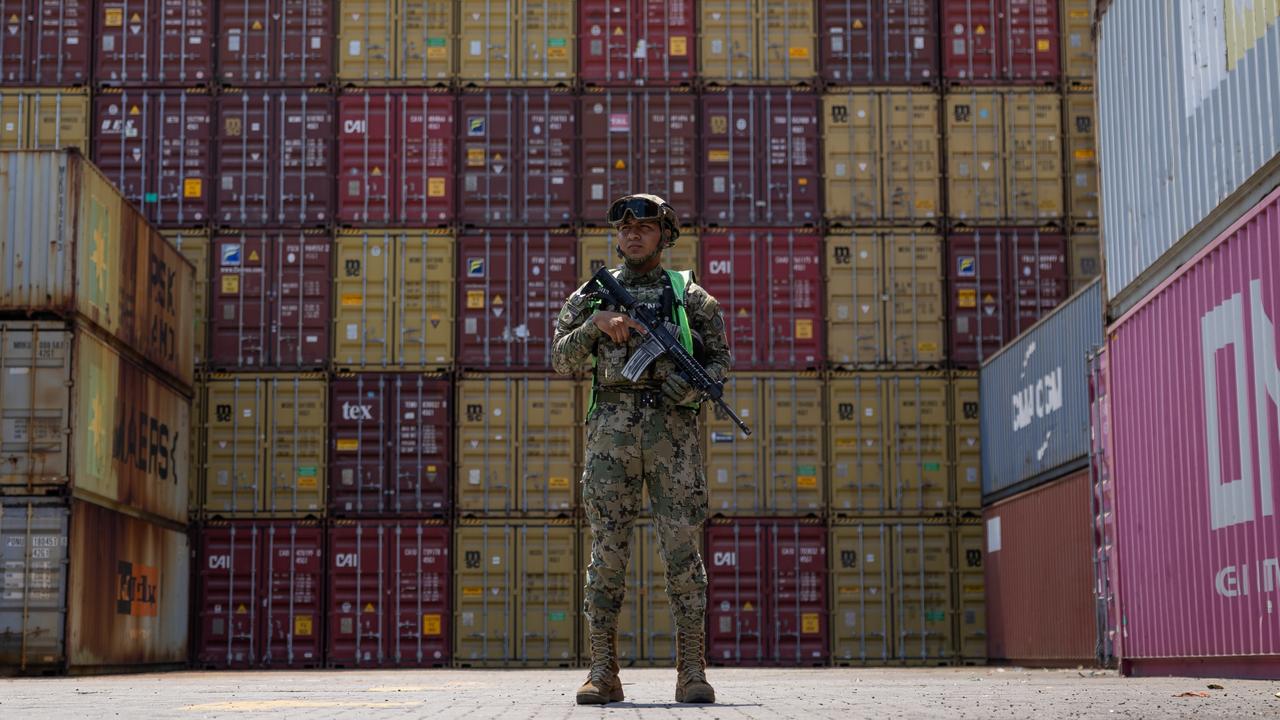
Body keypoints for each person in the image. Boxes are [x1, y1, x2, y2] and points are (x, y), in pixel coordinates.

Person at [552, 194, 732, 705]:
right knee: (606, 556)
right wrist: (595, 326)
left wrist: (692, 386)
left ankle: (692, 672)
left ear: (665, 236)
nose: (632, 235)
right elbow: (560, 359)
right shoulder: (591, 295)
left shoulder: (690, 297)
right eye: (625, 228)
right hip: (610, 435)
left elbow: (720, 363)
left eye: (645, 228)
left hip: (672, 437)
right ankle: (602, 672)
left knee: (682, 556)